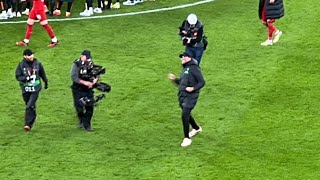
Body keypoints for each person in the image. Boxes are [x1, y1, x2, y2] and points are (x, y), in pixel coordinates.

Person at [168, 52, 205, 147]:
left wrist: (193, 88)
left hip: (190, 96)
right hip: (182, 96)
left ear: (190, 58)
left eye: (185, 56)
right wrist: (174, 79)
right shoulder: (185, 69)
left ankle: (187, 138)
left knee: (184, 115)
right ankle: (196, 128)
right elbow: (181, 83)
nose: (182, 58)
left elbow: (202, 82)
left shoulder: (194, 68)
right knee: (186, 114)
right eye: (182, 57)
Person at [15, 49, 48, 131]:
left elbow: (42, 73)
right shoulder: (21, 65)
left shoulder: (37, 64)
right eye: (29, 55)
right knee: (29, 105)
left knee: (29, 105)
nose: (31, 56)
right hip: (25, 89)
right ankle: (33, 117)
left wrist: (45, 81)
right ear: (25, 56)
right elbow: (18, 76)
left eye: (32, 54)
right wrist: (26, 79)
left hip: (35, 89)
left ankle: (28, 124)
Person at [70, 50, 99, 132]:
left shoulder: (90, 63)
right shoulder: (76, 65)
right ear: (82, 56)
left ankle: (87, 125)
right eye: (87, 58)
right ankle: (81, 119)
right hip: (78, 89)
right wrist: (85, 83)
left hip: (88, 90)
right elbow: (74, 77)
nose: (89, 60)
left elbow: (96, 73)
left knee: (90, 106)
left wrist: (95, 80)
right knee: (79, 107)